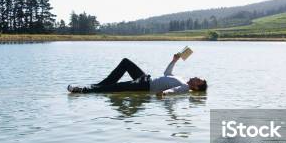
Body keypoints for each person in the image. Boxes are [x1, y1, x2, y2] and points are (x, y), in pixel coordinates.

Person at [67, 54, 207, 95]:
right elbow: (167, 73)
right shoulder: (182, 79)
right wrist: (174, 60)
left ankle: (82, 90)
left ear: (196, 87)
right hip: (145, 78)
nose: (195, 77)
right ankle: (98, 85)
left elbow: (172, 91)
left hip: (145, 85)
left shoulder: (184, 87)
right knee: (126, 62)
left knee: (117, 87)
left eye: (198, 80)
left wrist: (165, 94)